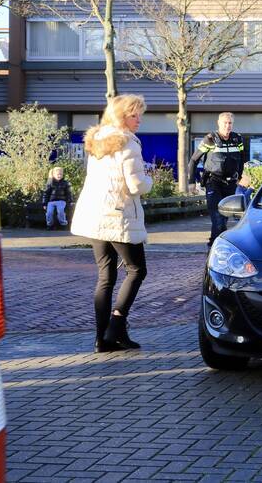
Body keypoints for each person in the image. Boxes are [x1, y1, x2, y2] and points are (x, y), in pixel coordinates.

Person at [70, 94, 153, 353]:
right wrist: (149, 181)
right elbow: (136, 184)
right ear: (120, 115)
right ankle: (116, 326)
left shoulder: (98, 141)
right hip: (118, 216)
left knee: (106, 276)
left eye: (140, 114)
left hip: (95, 214)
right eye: (133, 115)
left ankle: (102, 340)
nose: (138, 119)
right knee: (137, 270)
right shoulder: (128, 143)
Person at [190, 112, 245, 248]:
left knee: (224, 218)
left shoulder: (237, 139)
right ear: (218, 123)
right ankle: (215, 246)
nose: (227, 126)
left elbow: (242, 159)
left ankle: (216, 244)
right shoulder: (210, 139)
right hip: (213, 182)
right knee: (217, 217)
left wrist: (241, 176)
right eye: (225, 123)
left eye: (230, 123)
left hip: (231, 183)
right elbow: (193, 160)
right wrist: (191, 182)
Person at [42, 166, 73, 230]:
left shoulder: (65, 183)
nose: (59, 175)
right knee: (49, 212)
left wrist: (70, 201)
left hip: (61, 201)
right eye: (58, 174)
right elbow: (46, 193)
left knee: (60, 211)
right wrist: (44, 203)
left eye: (61, 174)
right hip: (51, 201)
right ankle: (49, 224)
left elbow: (68, 193)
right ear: (53, 175)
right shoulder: (50, 182)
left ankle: (63, 224)